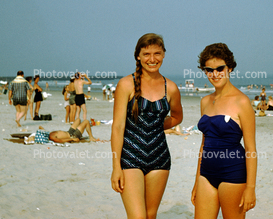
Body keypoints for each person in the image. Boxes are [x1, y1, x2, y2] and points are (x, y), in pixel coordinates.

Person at [110, 33, 183, 219]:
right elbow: (118, 127)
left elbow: (177, 117)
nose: (152, 59)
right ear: (138, 56)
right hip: (130, 157)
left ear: (164, 54)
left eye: (157, 53)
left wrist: (156, 126)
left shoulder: (171, 88)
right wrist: (116, 167)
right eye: (146, 54)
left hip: (160, 158)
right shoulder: (126, 84)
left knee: (150, 215)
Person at [191, 43, 257, 218]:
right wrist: (196, 181)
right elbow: (203, 144)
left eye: (220, 68)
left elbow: (251, 149)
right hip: (206, 174)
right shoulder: (205, 101)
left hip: (233, 173)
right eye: (209, 70)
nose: (215, 74)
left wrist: (250, 188)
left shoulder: (242, 102)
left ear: (230, 68)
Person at [24, 119, 99, 144]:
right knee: (86, 121)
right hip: (73, 135)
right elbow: (59, 140)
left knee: (78, 120)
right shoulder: (51, 136)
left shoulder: (49, 134)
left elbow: (41, 128)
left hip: (69, 132)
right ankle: (91, 137)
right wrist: (72, 139)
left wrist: (40, 129)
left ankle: (82, 130)